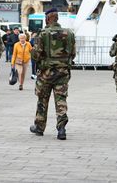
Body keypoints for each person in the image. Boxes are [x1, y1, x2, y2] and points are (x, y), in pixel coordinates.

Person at [29, 8, 76, 140]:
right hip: (62, 73)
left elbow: (36, 55)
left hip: (46, 73)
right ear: (57, 18)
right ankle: (61, 128)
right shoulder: (69, 33)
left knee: (42, 99)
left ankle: (39, 126)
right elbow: (73, 54)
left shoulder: (43, 34)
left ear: (48, 18)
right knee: (61, 100)